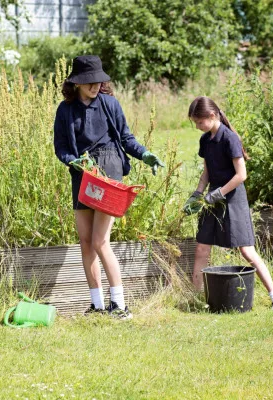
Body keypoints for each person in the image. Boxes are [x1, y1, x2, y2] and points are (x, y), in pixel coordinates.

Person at [53, 55, 165, 319]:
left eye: (98, 81)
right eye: (89, 82)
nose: (95, 86)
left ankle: (120, 306)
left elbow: (126, 138)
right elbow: (61, 149)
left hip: (109, 168)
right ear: (76, 83)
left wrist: (144, 154)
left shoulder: (110, 104)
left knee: (100, 240)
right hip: (83, 173)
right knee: (85, 242)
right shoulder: (65, 110)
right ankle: (98, 306)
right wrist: (74, 161)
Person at [183, 96, 273, 310]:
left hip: (233, 199)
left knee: (246, 251)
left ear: (212, 115)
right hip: (212, 199)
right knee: (202, 248)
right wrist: (198, 193)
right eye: (196, 123)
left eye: (200, 122)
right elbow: (207, 171)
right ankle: (195, 298)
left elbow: (241, 175)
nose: (198, 126)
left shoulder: (230, 139)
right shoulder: (205, 140)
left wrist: (219, 193)